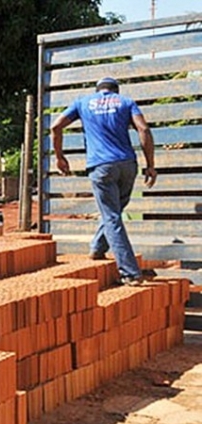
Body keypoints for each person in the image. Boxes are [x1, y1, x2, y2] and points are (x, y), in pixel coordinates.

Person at [51, 77, 157, 286]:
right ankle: (98, 248)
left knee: (111, 216)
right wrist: (151, 165)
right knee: (114, 213)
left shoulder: (82, 102)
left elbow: (56, 127)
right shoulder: (126, 102)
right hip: (127, 165)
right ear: (115, 91)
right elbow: (143, 129)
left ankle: (130, 273)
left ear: (98, 90)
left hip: (101, 167)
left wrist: (60, 156)